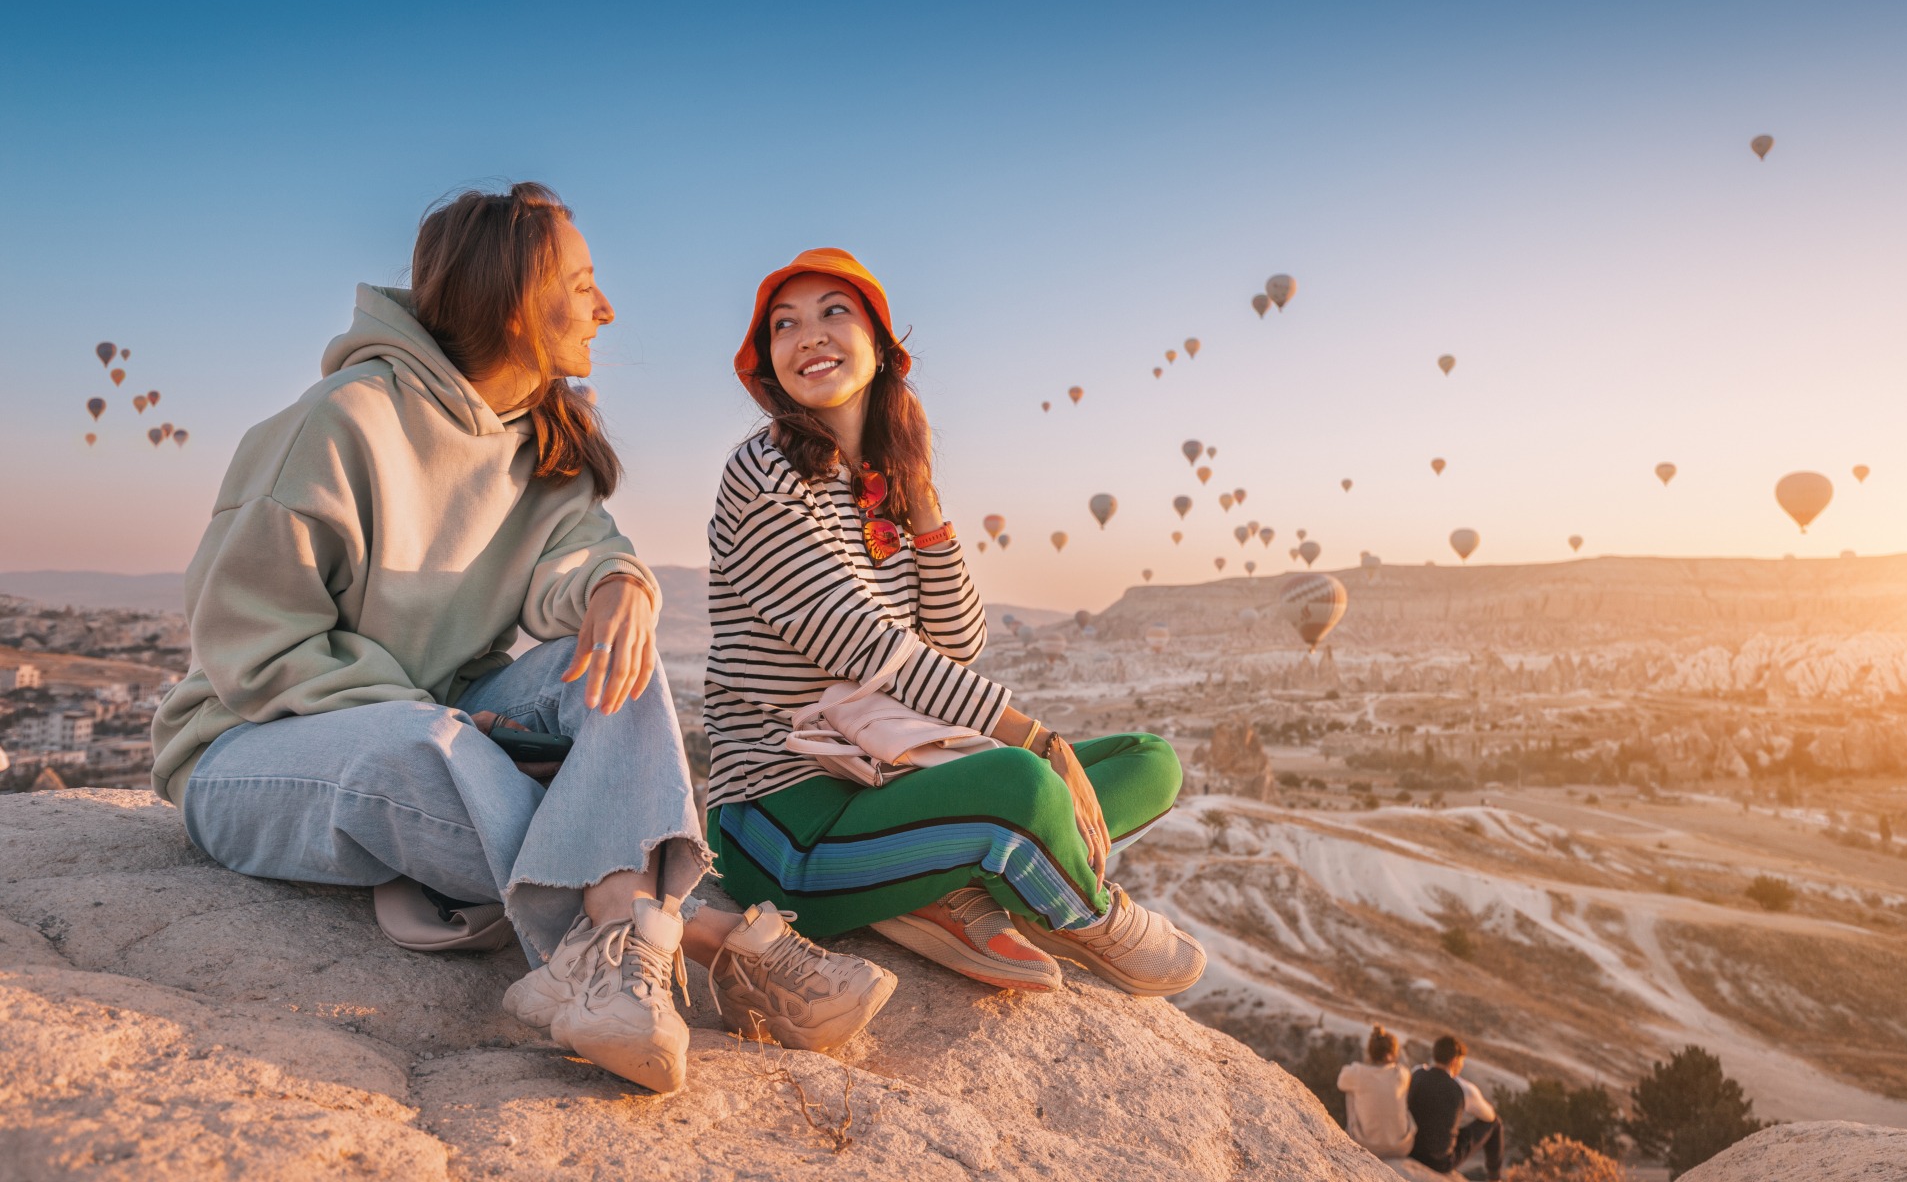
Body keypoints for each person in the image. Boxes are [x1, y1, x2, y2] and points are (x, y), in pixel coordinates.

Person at [149, 185, 895, 1095]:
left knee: (609, 667)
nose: (605, 308)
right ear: (512, 301)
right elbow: (250, 646)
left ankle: (618, 949)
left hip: (439, 717)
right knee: (422, 743)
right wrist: (443, 720)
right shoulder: (341, 422)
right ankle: (705, 934)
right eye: (583, 284)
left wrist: (619, 585)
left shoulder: (540, 440)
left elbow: (581, 555)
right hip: (246, 749)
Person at [702, 247, 1206, 995]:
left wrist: (923, 501)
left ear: (880, 347)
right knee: (1021, 777)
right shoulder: (764, 470)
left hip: (893, 778)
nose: (809, 334)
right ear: (770, 365)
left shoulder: (883, 486)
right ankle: (1087, 916)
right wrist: (1033, 737)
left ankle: (948, 888)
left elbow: (958, 643)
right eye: (785, 325)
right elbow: (857, 641)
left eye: (833, 313)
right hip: (785, 818)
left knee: (1149, 759)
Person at [1407, 1034, 1504, 1180]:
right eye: (1462, 1061)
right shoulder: (1463, 1088)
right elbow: (1489, 1116)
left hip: (1410, 1149)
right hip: (1439, 1162)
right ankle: (1495, 1177)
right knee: (1495, 1123)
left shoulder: (1417, 1072)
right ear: (1455, 1061)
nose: (1462, 1065)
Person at [1337, 1025, 1417, 1159]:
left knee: (1350, 1090)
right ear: (1394, 1053)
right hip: (1402, 1147)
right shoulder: (1402, 1073)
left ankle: (1358, 1133)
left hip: (1366, 1146)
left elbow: (1340, 1082)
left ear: (1370, 1051)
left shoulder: (1357, 1072)